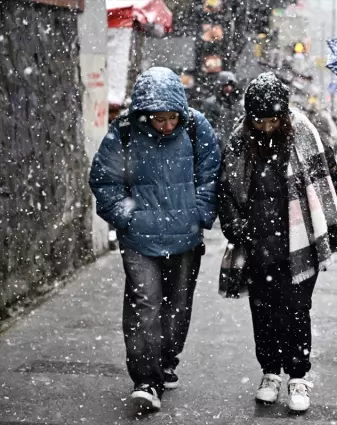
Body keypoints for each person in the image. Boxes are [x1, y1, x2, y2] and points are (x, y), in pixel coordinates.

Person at [89, 67, 220, 412]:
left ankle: (166, 361)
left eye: (172, 118)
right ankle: (145, 380)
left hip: (184, 235)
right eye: (159, 119)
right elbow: (104, 180)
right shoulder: (126, 133)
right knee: (144, 304)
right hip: (139, 238)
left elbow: (211, 174)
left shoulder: (195, 126)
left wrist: (200, 213)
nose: (167, 126)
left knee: (177, 306)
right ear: (145, 115)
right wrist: (125, 217)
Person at [217, 72, 337, 412]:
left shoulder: (305, 135)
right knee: (263, 311)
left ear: (284, 115)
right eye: (261, 121)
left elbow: (327, 181)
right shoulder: (240, 140)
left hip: (299, 244)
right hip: (257, 244)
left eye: (273, 120)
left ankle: (298, 376)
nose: (267, 127)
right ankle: (270, 372)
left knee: (297, 311)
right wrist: (235, 226)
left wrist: (326, 226)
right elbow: (226, 188)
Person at [201, 71, 244, 148]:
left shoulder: (238, 105)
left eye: (231, 85)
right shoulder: (211, 104)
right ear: (220, 86)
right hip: (218, 145)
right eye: (226, 85)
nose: (228, 88)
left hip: (235, 146)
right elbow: (208, 126)